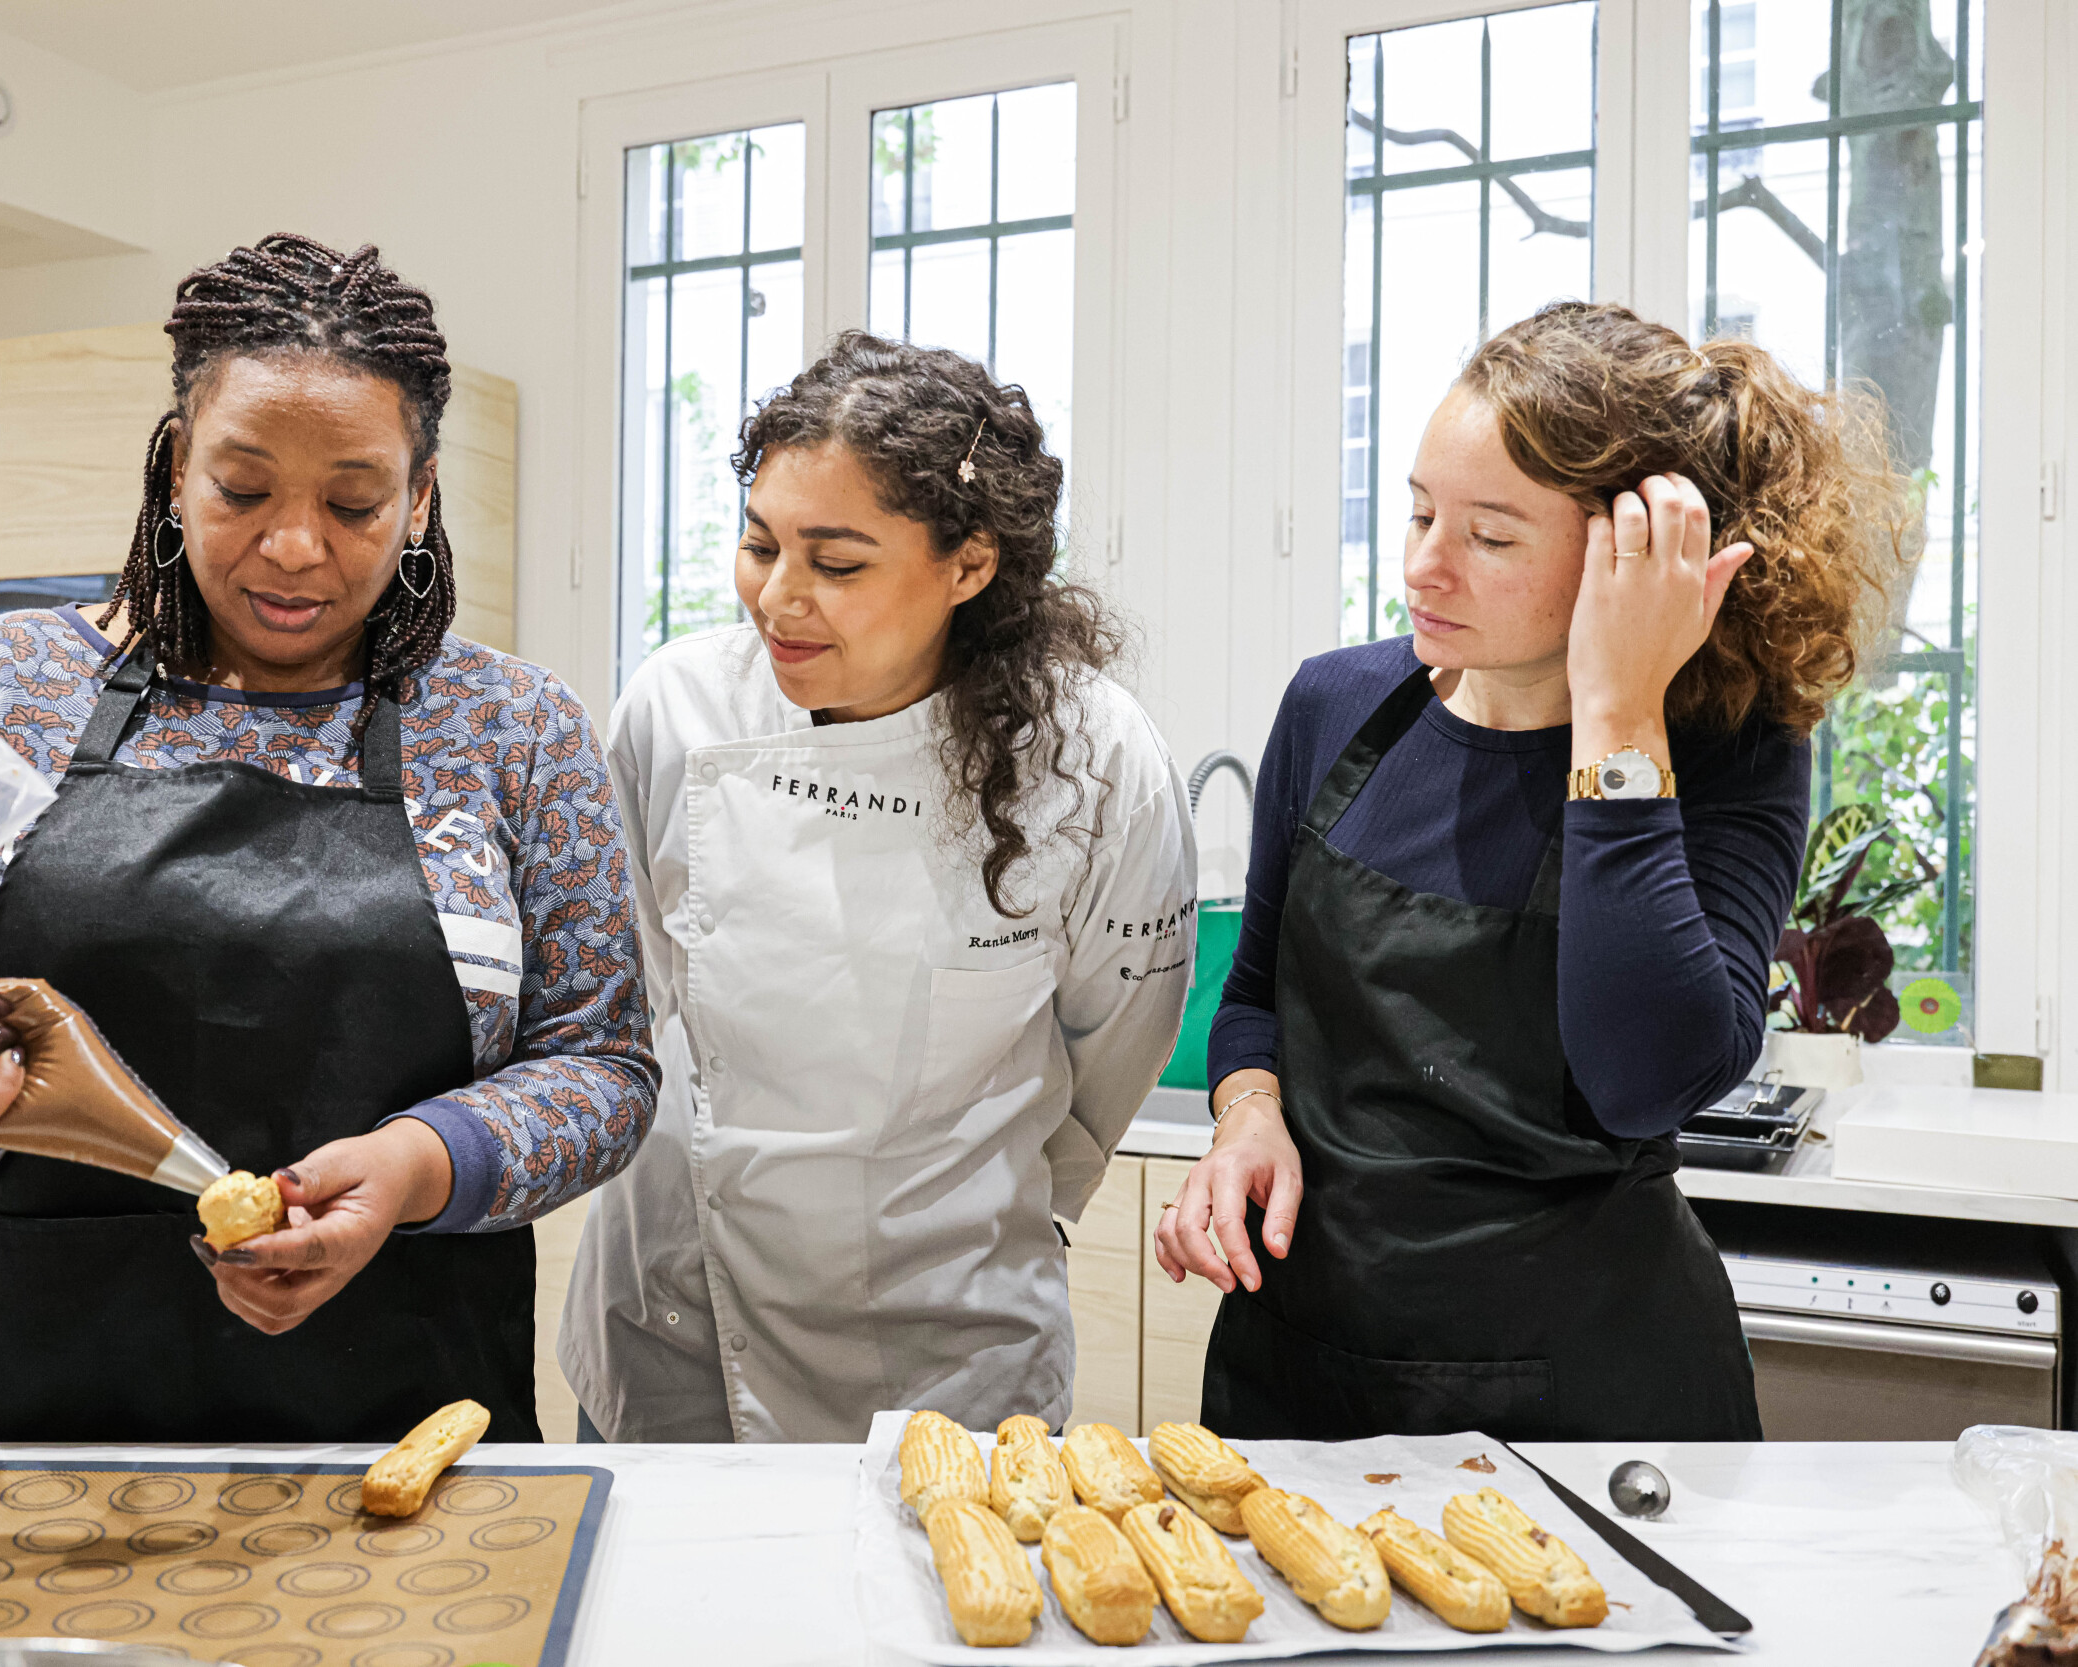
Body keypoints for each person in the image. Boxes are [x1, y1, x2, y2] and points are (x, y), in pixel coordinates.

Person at [0, 234, 658, 1443]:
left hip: (414, 1422)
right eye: (242, 489)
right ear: (174, 469)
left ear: (420, 496)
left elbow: (607, 1065)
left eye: (355, 501)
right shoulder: (5, 688)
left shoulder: (512, 727)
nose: (295, 546)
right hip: (39, 1422)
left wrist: (423, 1162)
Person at [1161, 301, 1906, 1442]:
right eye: (1416, 513)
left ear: (1631, 552)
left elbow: (1648, 1076)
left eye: (1490, 536)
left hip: (1594, 1398)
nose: (1423, 565)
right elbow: (1256, 996)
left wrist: (1616, 711)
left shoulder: (1728, 750)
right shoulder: (1334, 706)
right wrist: (1245, 1116)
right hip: (1300, 1367)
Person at [561, 332, 1197, 1442]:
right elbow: (632, 993)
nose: (780, 599)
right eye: (760, 545)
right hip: (679, 1310)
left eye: (838, 563)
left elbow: (1109, 1056)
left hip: (951, 1339)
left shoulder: (1093, 761)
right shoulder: (677, 709)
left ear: (969, 563)